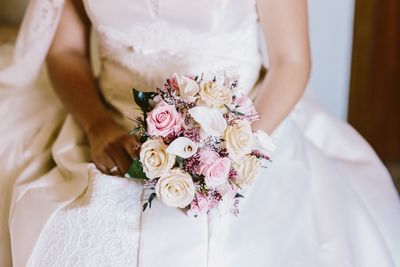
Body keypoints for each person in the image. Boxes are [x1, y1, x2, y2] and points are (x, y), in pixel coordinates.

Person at [0, 0, 399, 266]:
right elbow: (64, 51)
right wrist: (97, 125)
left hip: (245, 124)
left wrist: (237, 149)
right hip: (110, 124)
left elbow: (291, 62)